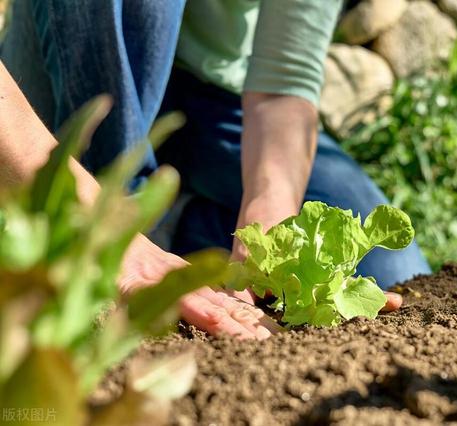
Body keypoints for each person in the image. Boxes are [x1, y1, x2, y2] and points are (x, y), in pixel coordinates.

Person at [0, 0, 431, 340]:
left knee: (387, 269)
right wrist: (106, 235)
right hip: (54, 93)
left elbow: (286, 79)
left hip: (219, 98)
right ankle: (117, 227)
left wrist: (268, 230)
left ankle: (172, 225)